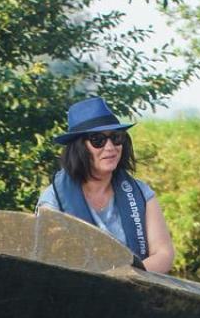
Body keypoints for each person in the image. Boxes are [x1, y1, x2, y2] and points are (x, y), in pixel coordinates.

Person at [37, 96, 175, 273]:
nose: (110, 147)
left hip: (134, 288)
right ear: (79, 147)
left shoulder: (142, 194)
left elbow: (164, 254)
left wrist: (124, 277)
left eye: (116, 137)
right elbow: (46, 261)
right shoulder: (53, 200)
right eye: (98, 140)